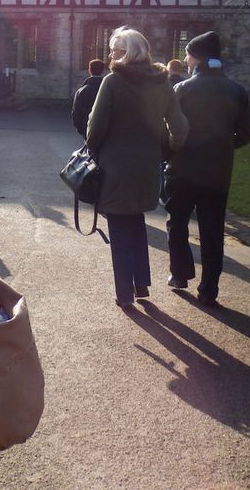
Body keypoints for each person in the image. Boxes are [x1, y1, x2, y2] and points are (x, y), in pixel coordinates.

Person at [86, 27, 188, 308]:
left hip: (116, 168)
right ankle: (141, 283)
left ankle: (124, 293)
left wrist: (92, 150)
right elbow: (179, 127)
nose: (110, 55)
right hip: (146, 167)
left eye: (114, 50)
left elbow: (95, 128)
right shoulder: (162, 81)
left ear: (127, 53)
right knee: (136, 222)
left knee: (119, 228)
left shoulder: (113, 82)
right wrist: (165, 149)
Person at [164, 30, 250, 307]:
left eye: (189, 54)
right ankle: (209, 288)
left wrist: (172, 151)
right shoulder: (236, 90)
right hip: (217, 172)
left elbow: (168, 128)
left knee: (177, 223)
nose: (186, 59)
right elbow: (247, 133)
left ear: (197, 58)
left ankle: (179, 275)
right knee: (212, 229)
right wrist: (224, 146)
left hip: (183, 169)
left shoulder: (181, 89)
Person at [71, 59, 106, 137]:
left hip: (87, 130)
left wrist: (83, 130)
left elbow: (76, 113)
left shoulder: (82, 91)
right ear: (103, 70)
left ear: (89, 70)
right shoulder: (109, 89)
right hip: (106, 131)